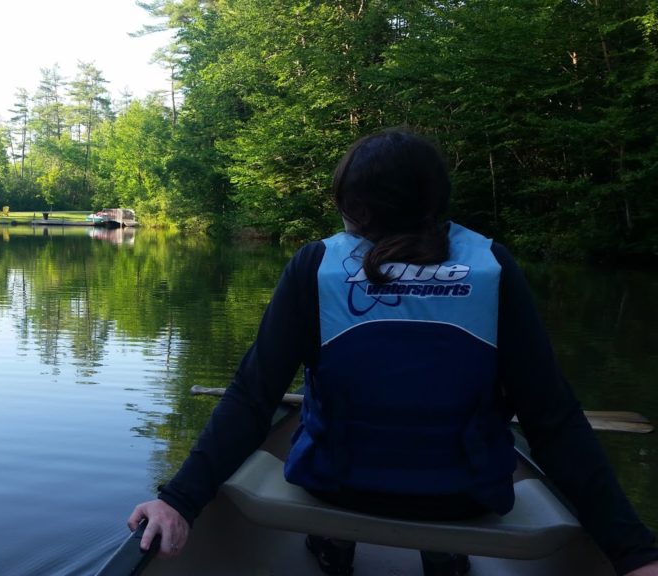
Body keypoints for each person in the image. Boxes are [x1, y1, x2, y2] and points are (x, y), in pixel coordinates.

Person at [127, 129, 658, 576]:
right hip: (465, 500)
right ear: (436, 201)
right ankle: (444, 551)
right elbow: (552, 418)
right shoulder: (493, 266)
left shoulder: (315, 265)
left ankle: (333, 542)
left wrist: (179, 499)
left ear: (353, 207)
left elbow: (252, 396)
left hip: (335, 489)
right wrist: (633, 552)